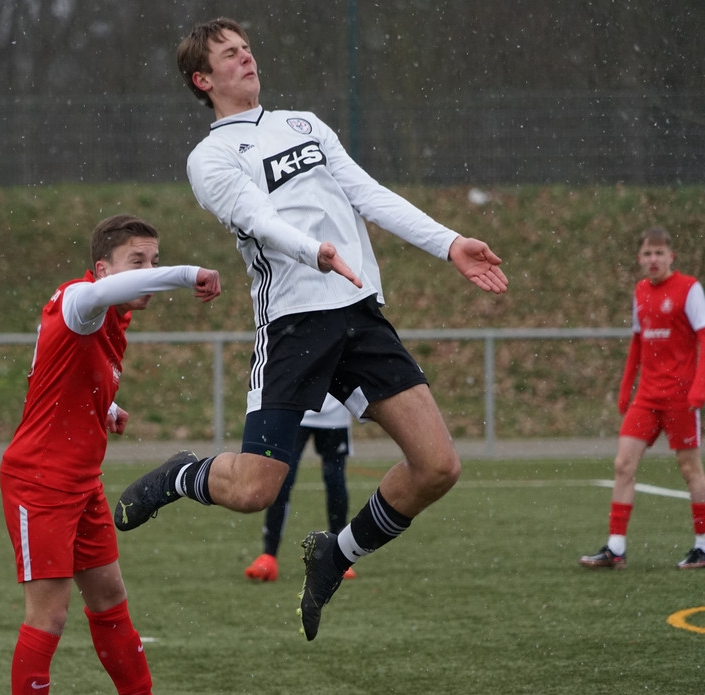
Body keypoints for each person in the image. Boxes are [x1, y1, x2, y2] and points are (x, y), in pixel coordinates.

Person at [114, 17, 508, 642]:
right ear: (202, 79)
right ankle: (181, 474)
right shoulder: (210, 158)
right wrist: (313, 251)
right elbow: (258, 218)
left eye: (247, 48)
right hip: (294, 325)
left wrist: (450, 242)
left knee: (438, 466)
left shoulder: (304, 123)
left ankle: (336, 554)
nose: (246, 58)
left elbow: (369, 194)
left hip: (359, 315)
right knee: (254, 490)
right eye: (229, 54)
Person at [0, 214, 220, 695]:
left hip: (81, 480)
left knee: (109, 601)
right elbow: (90, 304)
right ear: (102, 269)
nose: (149, 273)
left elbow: (53, 370)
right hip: (40, 480)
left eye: (155, 262)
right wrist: (188, 274)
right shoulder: (82, 299)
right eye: (136, 262)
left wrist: (106, 407)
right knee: (48, 616)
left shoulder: (111, 316)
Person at [579, 227, 705, 570]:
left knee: (690, 468)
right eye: (648, 253)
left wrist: (699, 388)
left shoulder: (690, 289)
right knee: (624, 464)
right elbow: (638, 342)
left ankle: (702, 545)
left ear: (671, 256)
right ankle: (615, 548)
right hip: (647, 397)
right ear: (639, 258)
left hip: (680, 397)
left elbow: (703, 338)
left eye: (659, 253)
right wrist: (626, 388)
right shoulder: (640, 291)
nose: (653, 259)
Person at [244, 394, 356, 582]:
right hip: (295, 408)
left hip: (335, 413)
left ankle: (340, 557)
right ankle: (268, 556)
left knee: (335, 481)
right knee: (281, 481)